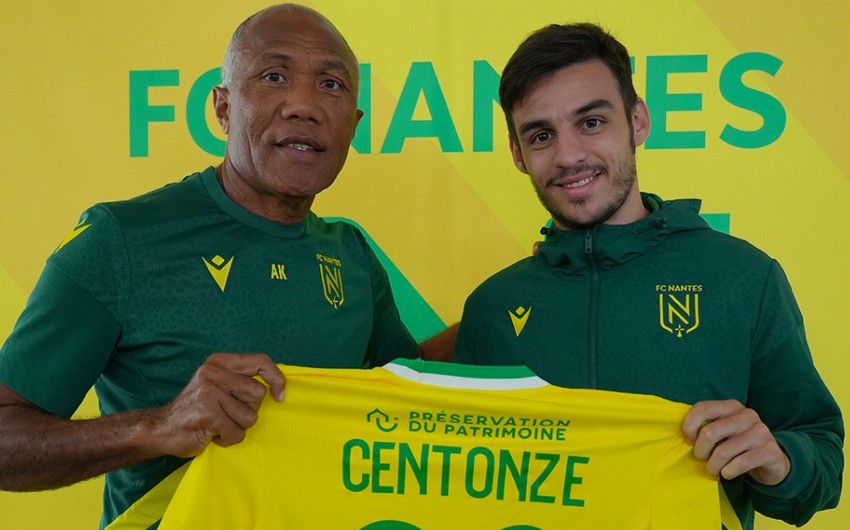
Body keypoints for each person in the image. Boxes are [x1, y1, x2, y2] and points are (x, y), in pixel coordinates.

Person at [0, 4, 441, 529]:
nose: (304, 105)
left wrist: (502, 307)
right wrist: (159, 427)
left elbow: (412, 398)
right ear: (223, 107)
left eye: (331, 85)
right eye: (274, 76)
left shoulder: (351, 254)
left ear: (353, 125)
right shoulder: (118, 239)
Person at [454, 22, 843, 529]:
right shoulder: (491, 308)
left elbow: (822, 464)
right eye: (541, 135)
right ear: (517, 154)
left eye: (591, 122)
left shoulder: (743, 278)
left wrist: (781, 460)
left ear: (637, 121)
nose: (569, 155)